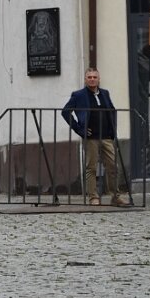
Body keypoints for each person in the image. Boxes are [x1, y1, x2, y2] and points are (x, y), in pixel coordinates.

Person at [61, 68, 130, 207]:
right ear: (85, 79)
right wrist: (80, 129)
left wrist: (112, 129)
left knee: (113, 166)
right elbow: (65, 112)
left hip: (106, 136)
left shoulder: (105, 93)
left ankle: (115, 196)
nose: (92, 79)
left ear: (99, 79)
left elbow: (112, 111)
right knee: (91, 167)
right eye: (89, 77)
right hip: (91, 137)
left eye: (94, 77)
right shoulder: (78, 95)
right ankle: (93, 197)